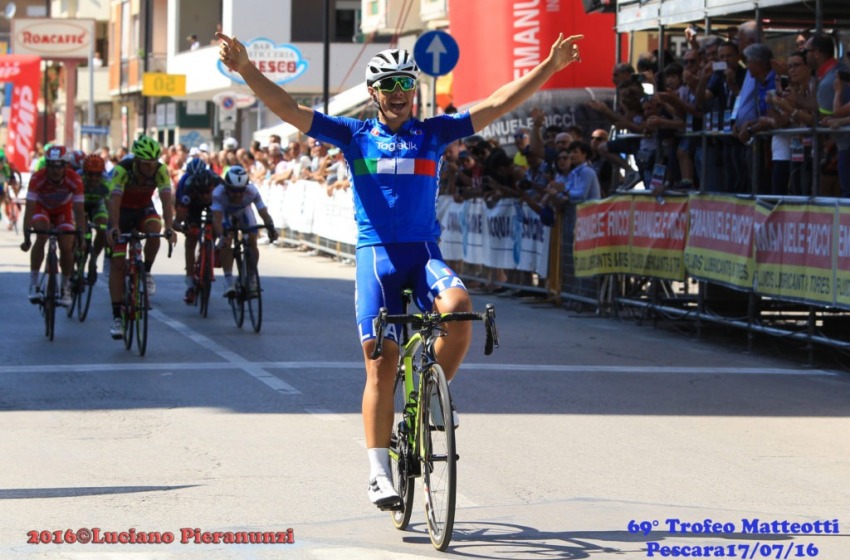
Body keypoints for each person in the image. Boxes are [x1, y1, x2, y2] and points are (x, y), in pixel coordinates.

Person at [219, 29, 584, 508]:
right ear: (373, 93)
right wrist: (246, 69)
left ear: (415, 89)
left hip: (423, 254)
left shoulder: (434, 133)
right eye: (388, 85)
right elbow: (288, 109)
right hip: (377, 258)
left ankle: (434, 390)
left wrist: (548, 67)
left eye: (405, 84)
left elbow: (497, 102)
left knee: (459, 309)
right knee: (380, 363)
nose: (397, 93)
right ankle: (378, 473)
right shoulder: (353, 135)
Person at [106, 136, 175, 339]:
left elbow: (166, 201)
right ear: (136, 161)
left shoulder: (161, 170)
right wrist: (114, 227)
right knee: (118, 264)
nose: (150, 168)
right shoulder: (122, 170)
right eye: (146, 164)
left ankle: (147, 271)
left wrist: (170, 227)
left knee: (155, 229)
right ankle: (117, 316)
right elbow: (114, 201)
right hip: (121, 212)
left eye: (153, 163)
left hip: (143, 209)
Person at [20, 145, 85, 307]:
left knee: (67, 246)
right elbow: (29, 208)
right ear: (46, 165)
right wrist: (26, 235)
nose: (55, 170)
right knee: (42, 234)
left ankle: (65, 287)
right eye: (51, 166)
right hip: (42, 208)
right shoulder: (37, 178)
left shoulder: (75, 179)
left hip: (63, 211)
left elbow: (79, 211)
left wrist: (81, 236)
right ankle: (34, 283)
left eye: (59, 166)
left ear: (66, 166)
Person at [210, 166, 278, 296]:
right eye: (234, 191)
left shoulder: (252, 191)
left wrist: (271, 228)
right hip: (226, 213)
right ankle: (229, 281)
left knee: (252, 240)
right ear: (227, 188)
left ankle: (251, 277)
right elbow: (217, 219)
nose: (238, 194)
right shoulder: (218, 193)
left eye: (241, 191)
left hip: (243, 211)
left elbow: (263, 213)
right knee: (226, 239)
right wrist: (221, 236)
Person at [173, 157, 223, 303]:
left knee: (216, 227)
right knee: (191, 238)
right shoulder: (187, 186)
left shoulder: (218, 182)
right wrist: (181, 226)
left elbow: (227, 205)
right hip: (193, 206)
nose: (205, 195)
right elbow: (180, 214)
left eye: (207, 192)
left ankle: (209, 251)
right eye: (202, 192)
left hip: (214, 204)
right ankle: (189, 278)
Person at [80, 154, 112, 283]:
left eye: (98, 174)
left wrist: (111, 225)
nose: (94, 178)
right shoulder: (78, 179)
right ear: (84, 172)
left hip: (97, 206)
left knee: (103, 227)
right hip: (80, 206)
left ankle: (93, 258)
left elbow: (110, 206)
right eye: (90, 174)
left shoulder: (107, 182)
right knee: (77, 228)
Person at [0, 148, 22, 230]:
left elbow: (9, 179)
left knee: (7, 196)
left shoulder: (8, 166)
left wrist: (18, 186)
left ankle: (16, 200)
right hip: (2, 183)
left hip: (9, 180)